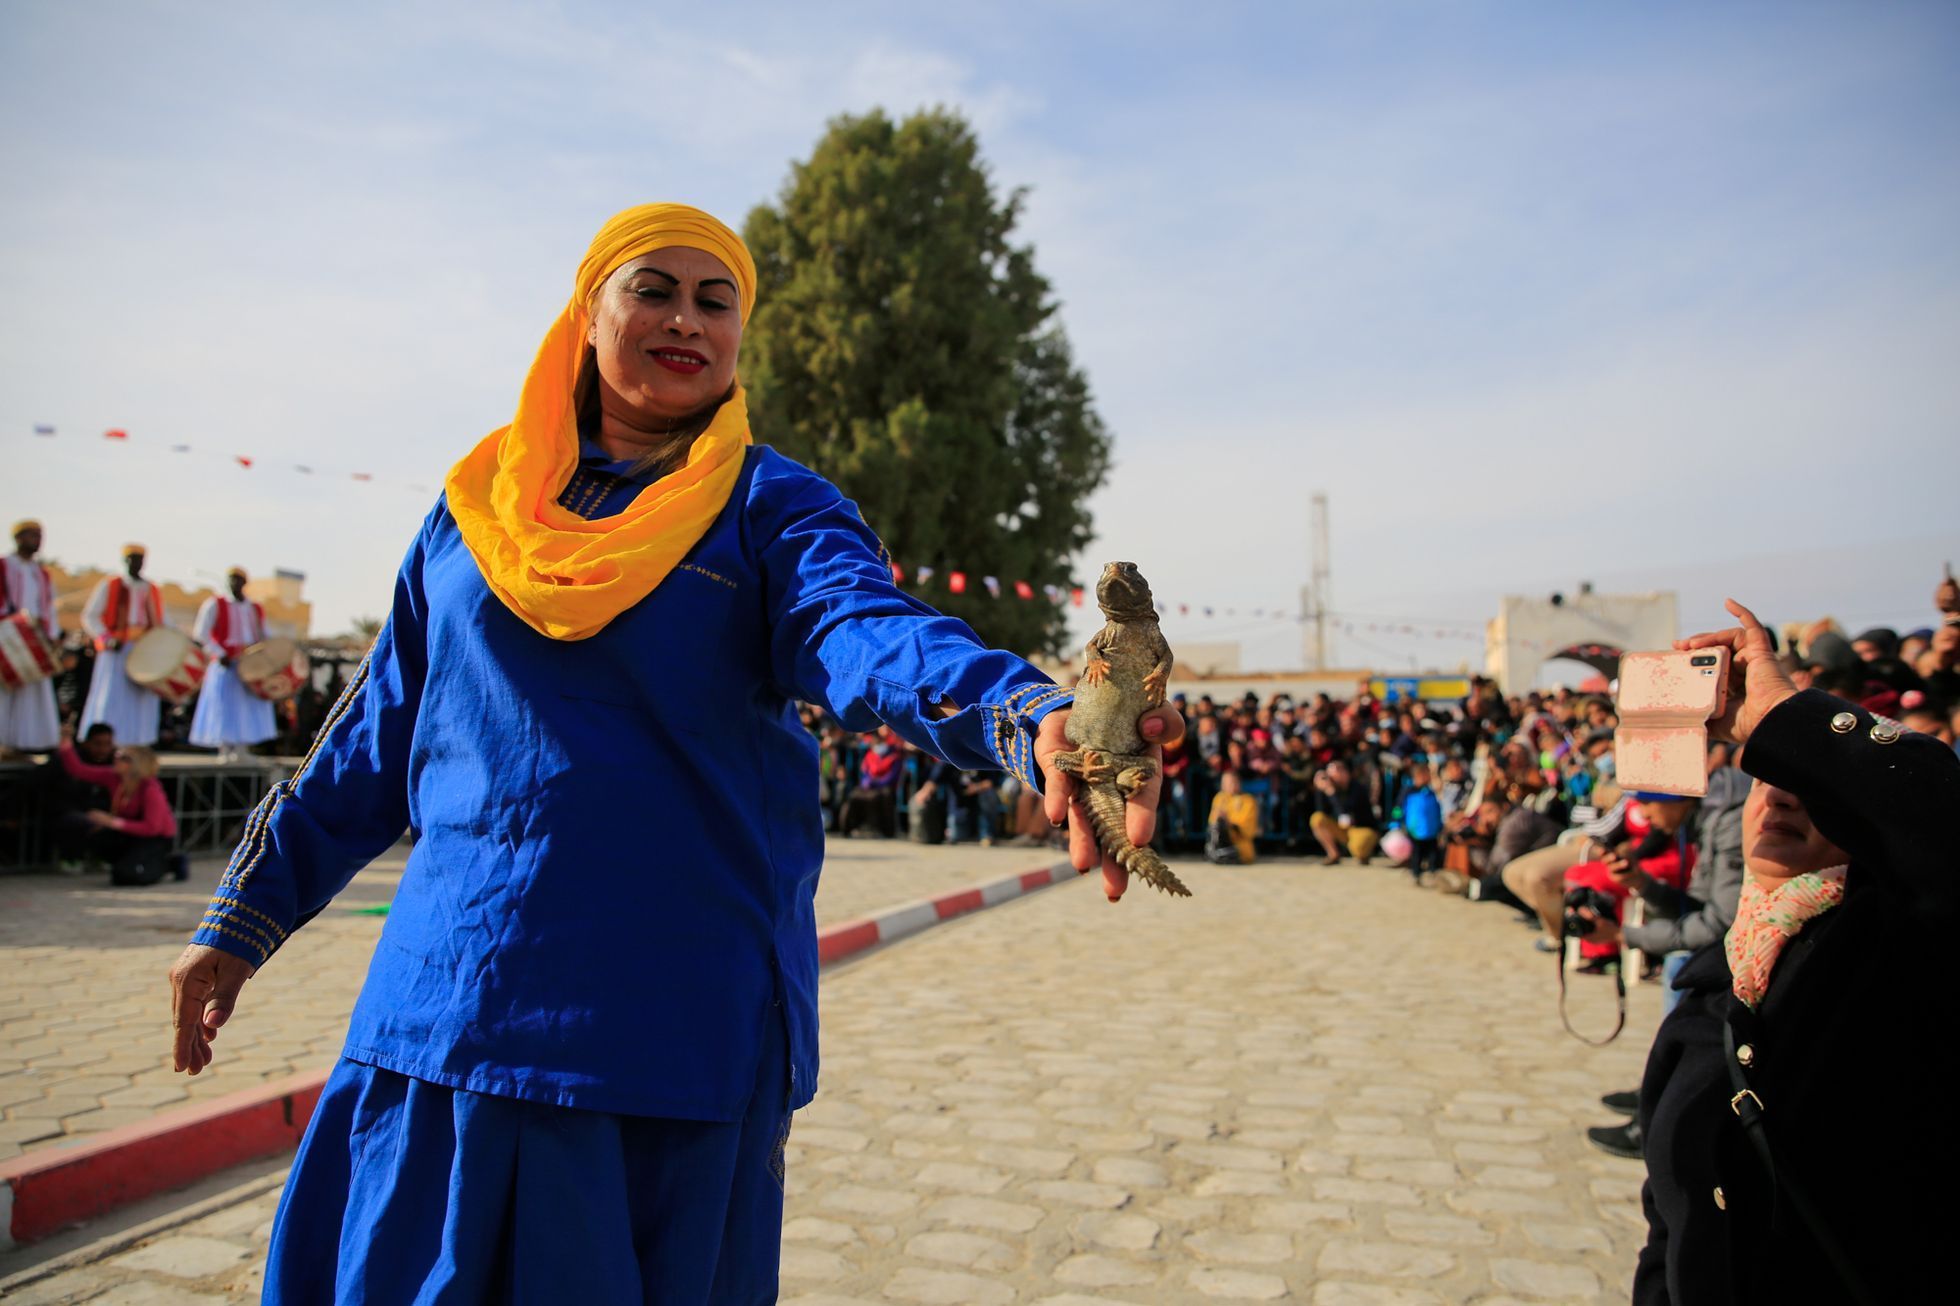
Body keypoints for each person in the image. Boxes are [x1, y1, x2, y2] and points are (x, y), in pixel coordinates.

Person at [163, 204, 1176, 1304]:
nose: (685, 318)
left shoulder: (770, 505)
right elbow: (372, 734)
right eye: (653, 289)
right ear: (587, 314)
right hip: (440, 1010)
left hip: (664, 1030)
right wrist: (244, 917)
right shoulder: (474, 508)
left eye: (716, 299)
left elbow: (867, 631)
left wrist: (1022, 712)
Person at [1633, 599, 1959, 1305]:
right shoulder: (1707, 997)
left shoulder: (1902, 954)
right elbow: (1669, 1219)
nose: (1781, 796)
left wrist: (1785, 718)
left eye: (1810, 785)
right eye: (1764, 780)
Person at [55, 727, 180, 885]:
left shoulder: (150, 789)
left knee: (127, 876)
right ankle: (122, 860)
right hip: (129, 833)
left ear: (136, 764)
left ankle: (169, 863)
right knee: (87, 828)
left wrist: (112, 822)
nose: (115, 758)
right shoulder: (113, 777)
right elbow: (79, 770)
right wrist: (66, 743)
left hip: (154, 838)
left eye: (122, 757)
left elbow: (152, 828)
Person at [80, 544, 167, 746]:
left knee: (143, 697)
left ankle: (138, 742)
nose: (136, 563)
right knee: (113, 696)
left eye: (139, 559)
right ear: (125, 561)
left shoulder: (151, 588)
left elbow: (163, 621)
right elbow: (90, 617)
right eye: (132, 559)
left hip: (144, 650)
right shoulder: (110, 585)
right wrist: (107, 638)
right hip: (116, 649)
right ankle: (106, 743)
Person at [188, 567, 277, 759]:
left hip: (250, 664)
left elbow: (264, 634)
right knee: (224, 706)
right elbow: (201, 634)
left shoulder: (255, 608)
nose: (234, 584)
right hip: (225, 664)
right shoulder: (215, 604)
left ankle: (243, 749)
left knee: (247, 706)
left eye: (238, 580)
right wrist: (219, 653)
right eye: (231, 580)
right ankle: (225, 749)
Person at [1, 518, 61, 753]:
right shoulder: (4, 565)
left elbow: (48, 606)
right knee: (5, 688)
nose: (37, 541)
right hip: (7, 634)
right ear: (18, 538)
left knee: (32, 691)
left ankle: (25, 743)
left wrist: (51, 634)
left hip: (34, 635)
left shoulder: (42, 573)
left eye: (39, 536)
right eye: (32, 536)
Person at [1309, 758, 1379, 865]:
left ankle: (1364, 854)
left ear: (1344, 773)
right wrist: (1320, 789)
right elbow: (1321, 810)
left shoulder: (1357, 788)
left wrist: (1331, 793)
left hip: (1361, 828)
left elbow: (1346, 813)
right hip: (1343, 829)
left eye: (1333, 775)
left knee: (1357, 849)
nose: (1330, 779)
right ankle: (1333, 854)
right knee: (1317, 818)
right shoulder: (1330, 789)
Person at [1401, 759, 1443, 883]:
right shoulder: (1408, 791)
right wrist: (1397, 822)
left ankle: (1432, 871)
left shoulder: (1431, 792)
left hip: (1431, 829)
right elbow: (1399, 808)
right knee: (1417, 852)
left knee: (1432, 852)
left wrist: (1439, 824)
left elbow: (1437, 809)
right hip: (1415, 829)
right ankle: (1416, 872)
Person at [1205, 767, 1259, 864]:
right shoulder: (1219, 797)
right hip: (1221, 843)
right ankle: (1216, 852)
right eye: (1225, 783)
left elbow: (1248, 830)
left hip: (1239, 846)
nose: (1227, 785)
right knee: (1216, 827)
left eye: (1231, 782)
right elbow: (1212, 823)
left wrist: (1229, 822)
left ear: (1238, 783)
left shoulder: (1248, 800)